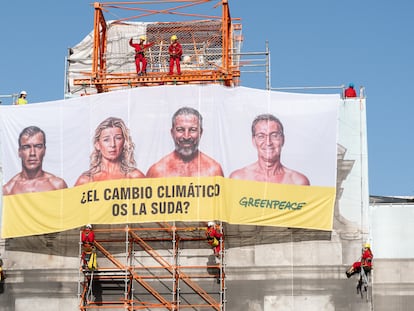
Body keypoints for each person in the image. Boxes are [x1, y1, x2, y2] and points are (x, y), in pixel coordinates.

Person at [229, 114, 310, 185]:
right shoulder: (238, 178)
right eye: (261, 136)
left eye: (274, 135)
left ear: (283, 140)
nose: (268, 142)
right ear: (254, 141)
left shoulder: (297, 182)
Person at [146, 107, 223, 177]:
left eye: (193, 130)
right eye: (180, 130)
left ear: (201, 132)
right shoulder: (157, 171)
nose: (186, 136)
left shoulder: (214, 170)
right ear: (172, 133)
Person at [75, 117, 145, 186]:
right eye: (106, 140)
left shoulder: (135, 177)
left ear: (124, 143)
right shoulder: (86, 180)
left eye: (118, 138)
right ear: (97, 144)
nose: (112, 144)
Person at [3, 126, 68, 195]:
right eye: (26, 147)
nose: (32, 153)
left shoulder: (58, 186)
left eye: (38, 146)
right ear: (20, 152)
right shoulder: (8, 190)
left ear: (44, 150)